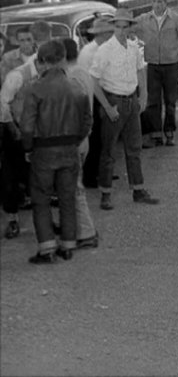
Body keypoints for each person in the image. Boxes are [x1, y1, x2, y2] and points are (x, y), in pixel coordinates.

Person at [20, 40, 92, 264]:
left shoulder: (35, 88)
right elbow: (86, 121)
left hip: (43, 150)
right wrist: (76, 140)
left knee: (41, 199)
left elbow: (27, 126)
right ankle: (68, 246)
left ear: (42, 62)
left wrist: (28, 148)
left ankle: (47, 249)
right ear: (62, 59)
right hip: (70, 149)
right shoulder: (76, 86)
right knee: (67, 198)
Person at [89, 8, 159, 210]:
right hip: (114, 99)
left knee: (134, 148)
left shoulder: (133, 47)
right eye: (117, 27)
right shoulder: (105, 50)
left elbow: (140, 70)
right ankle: (106, 193)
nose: (121, 30)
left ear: (129, 28)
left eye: (124, 27)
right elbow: (94, 80)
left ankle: (138, 188)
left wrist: (143, 94)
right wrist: (107, 106)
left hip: (131, 100)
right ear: (113, 28)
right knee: (109, 150)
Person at [136, 0, 178, 148]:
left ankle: (169, 131)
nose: (157, 5)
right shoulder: (146, 19)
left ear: (166, 3)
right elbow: (130, 26)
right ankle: (156, 134)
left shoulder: (175, 19)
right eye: (154, 1)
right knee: (153, 100)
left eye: (160, 1)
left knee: (170, 100)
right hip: (153, 64)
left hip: (171, 64)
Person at [0, 41, 41, 239]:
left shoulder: (46, 74)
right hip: (16, 133)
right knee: (10, 179)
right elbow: (3, 105)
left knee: (38, 178)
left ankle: (44, 221)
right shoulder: (16, 76)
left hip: (36, 134)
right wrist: (13, 129)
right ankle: (13, 220)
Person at [63, 38, 99, 249]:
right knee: (75, 185)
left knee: (74, 187)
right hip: (85, 135)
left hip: (76, 137)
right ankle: (79, 228)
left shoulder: (71, 77)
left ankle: (86, 231)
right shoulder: (83, 72)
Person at [77, 16, 115, 188]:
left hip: (97, 95)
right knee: (95, 137)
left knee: (102, 137)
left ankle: (100, 172)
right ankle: (90, 176)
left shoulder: (98, 49)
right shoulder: (91, 52)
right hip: (91, 97)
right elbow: (93, 80)